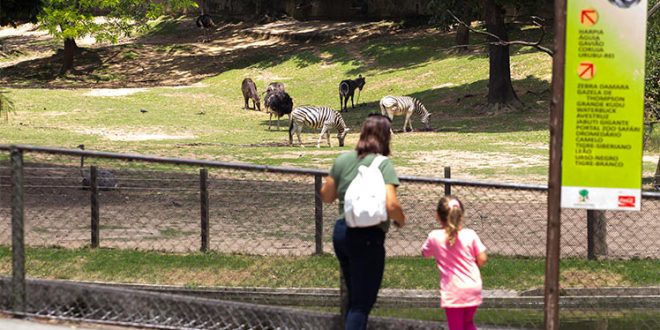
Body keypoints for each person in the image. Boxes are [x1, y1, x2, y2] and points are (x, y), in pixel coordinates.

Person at [320, 114, 406, 330]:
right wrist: (401, 220)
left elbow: (327, 195)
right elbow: (392, 205)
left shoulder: (343, 160)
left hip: (342, 232)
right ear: (386, 137)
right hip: (368, 236)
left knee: (354, 297)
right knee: (362, 303)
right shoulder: (383, 164)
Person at [421, 196, 487, 330]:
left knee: (456, 327)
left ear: (437, 216)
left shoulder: (434, 236)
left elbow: (425, 253)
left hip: (453, 290)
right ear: (461, 215)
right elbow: (482, 258)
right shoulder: (470, 234)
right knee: (468, 323)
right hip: (473, 287)